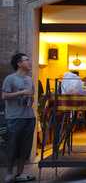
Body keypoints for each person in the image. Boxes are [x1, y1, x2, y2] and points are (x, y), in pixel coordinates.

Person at [2, 53, 36, 183]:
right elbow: (4, 96)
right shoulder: (10, 79)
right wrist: (22, 92)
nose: (29, 62)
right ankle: (9, 173)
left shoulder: (29, 79)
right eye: (26, 60)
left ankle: (20, 173)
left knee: (25, 147)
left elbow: (31, 96)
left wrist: (30, 99)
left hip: (29, 117)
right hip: (14, 117)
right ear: (19, 63)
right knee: (12, 145)